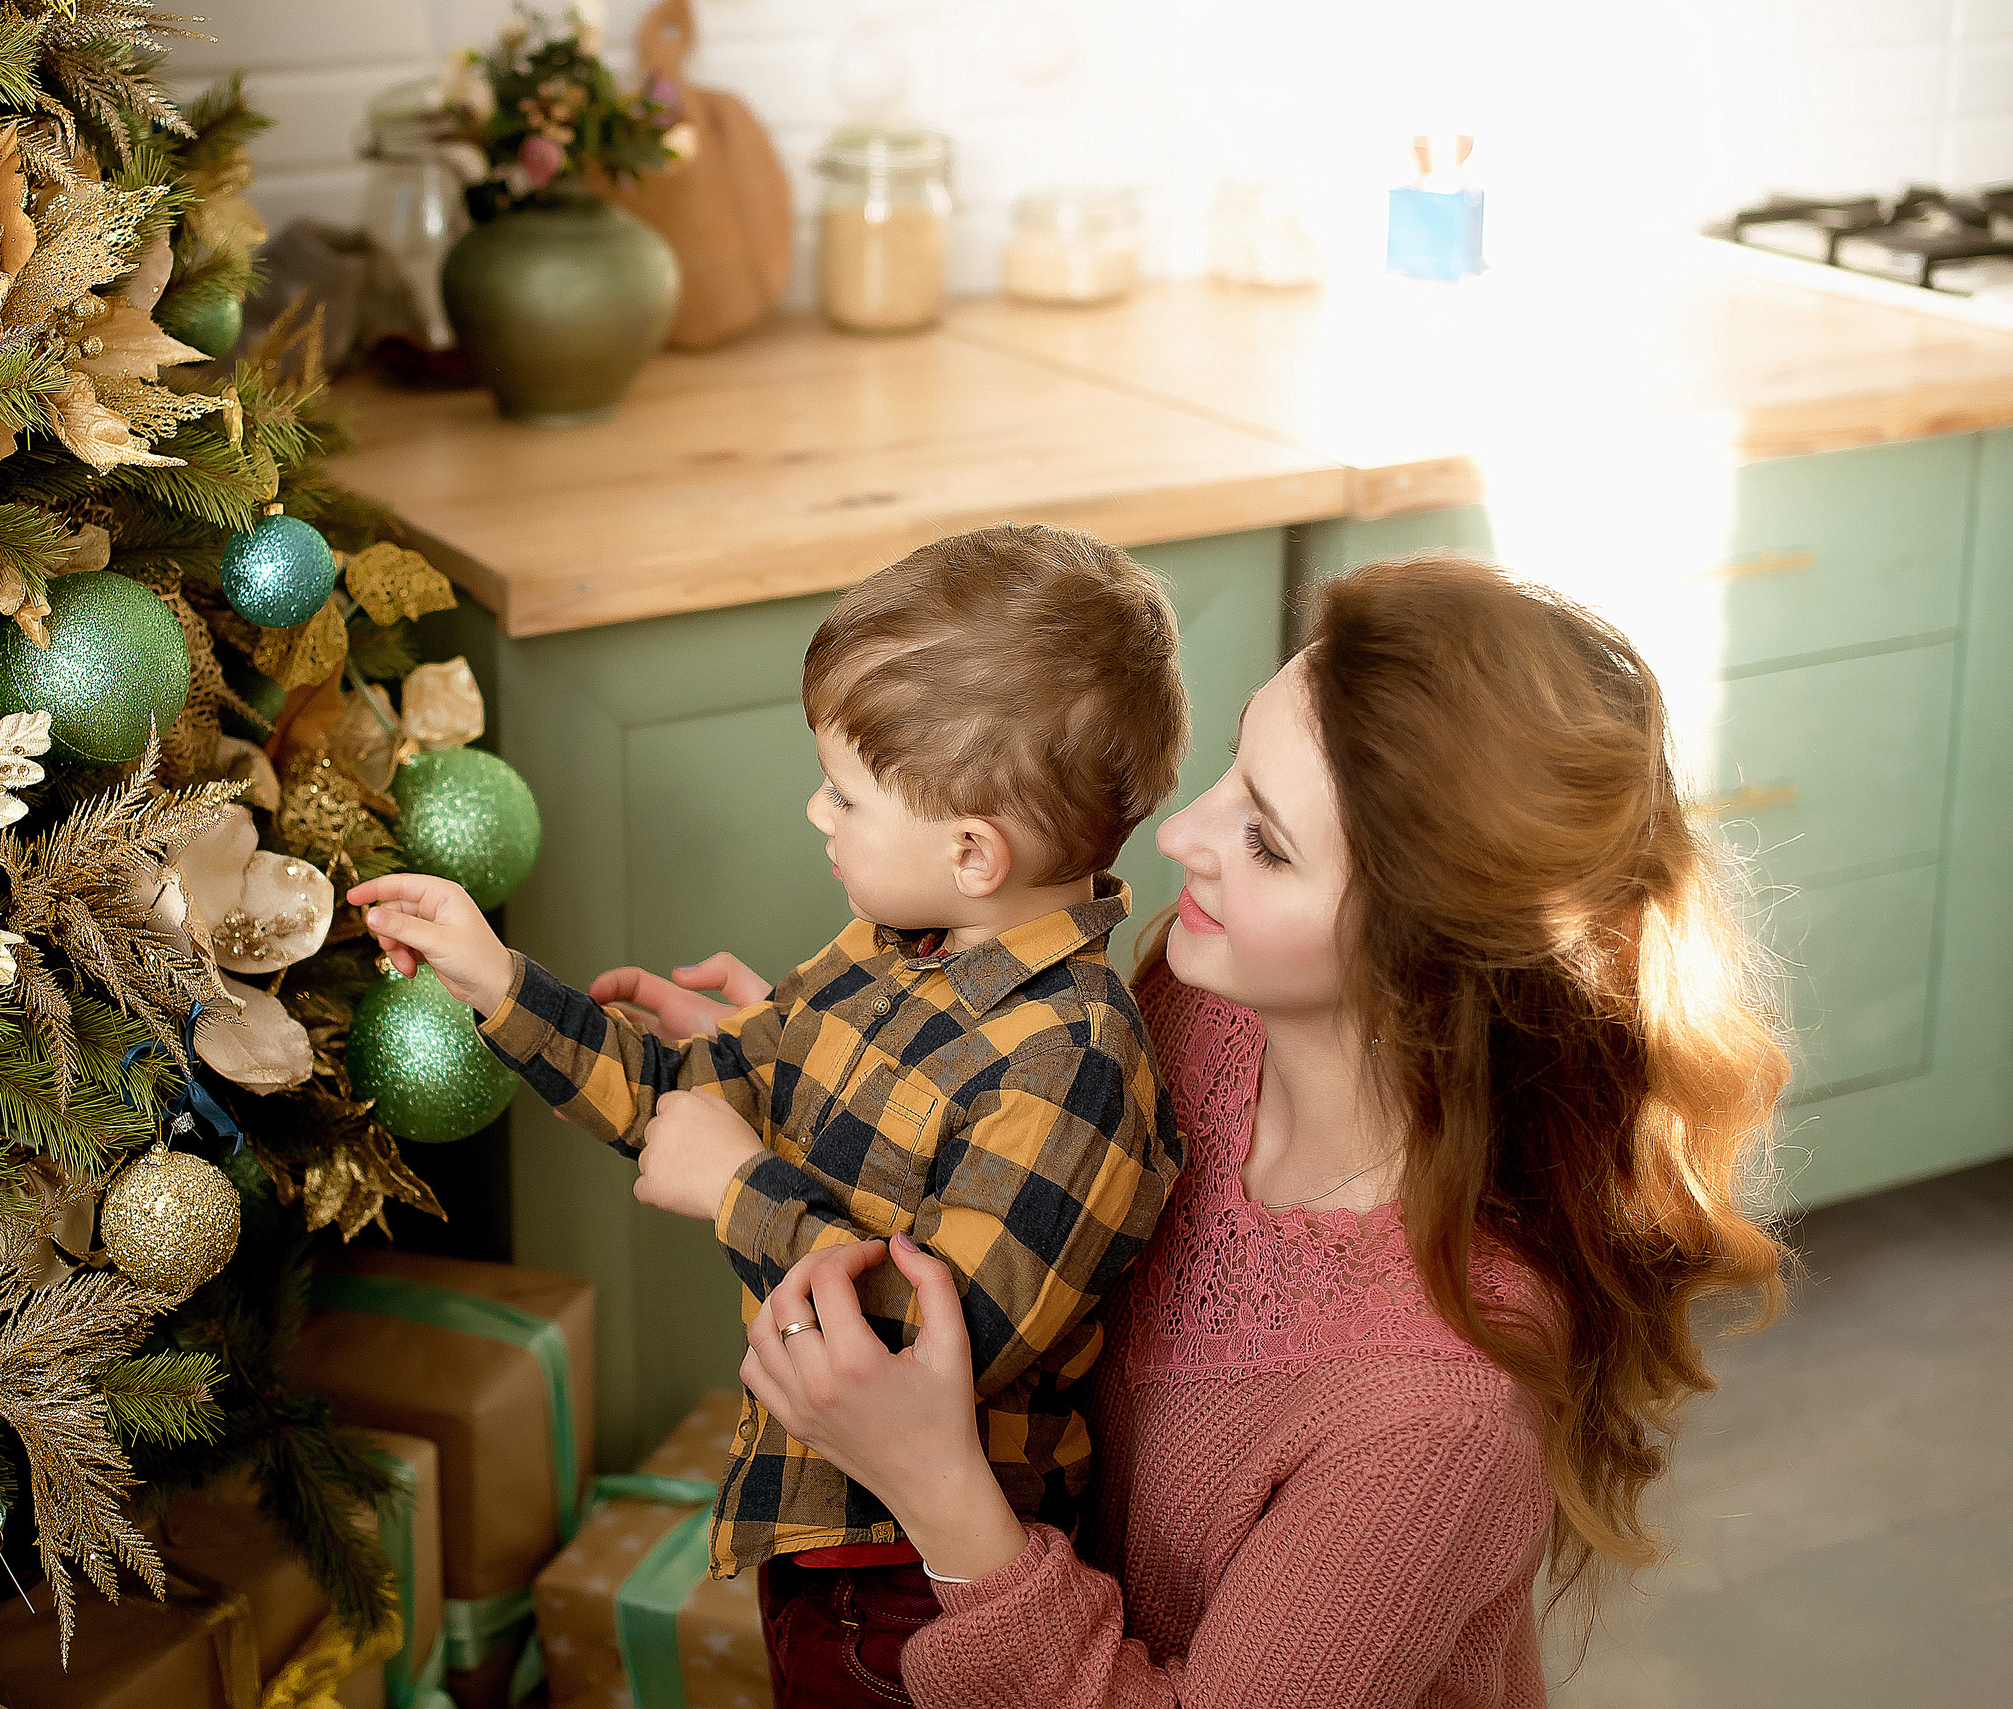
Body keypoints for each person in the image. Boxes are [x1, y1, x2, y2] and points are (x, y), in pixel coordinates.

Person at [726, 554, 1791, 1707]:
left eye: (1268, 842)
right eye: (1235, 762)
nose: (1183, 831)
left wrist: (938, 1490)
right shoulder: (1208, 1009)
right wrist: (814, 1054)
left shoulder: (1437, 1413)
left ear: (1421, 959)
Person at [347, 524, 1191, 1707]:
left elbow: (928, 1351)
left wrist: (742, 1185)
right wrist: (495, 979)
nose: (814, 811)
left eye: (845, 792)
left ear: (971, 849)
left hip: (920, 1598)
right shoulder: (881, 949)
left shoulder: (1074, 1063)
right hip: (816, 1551)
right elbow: (685, 1099)